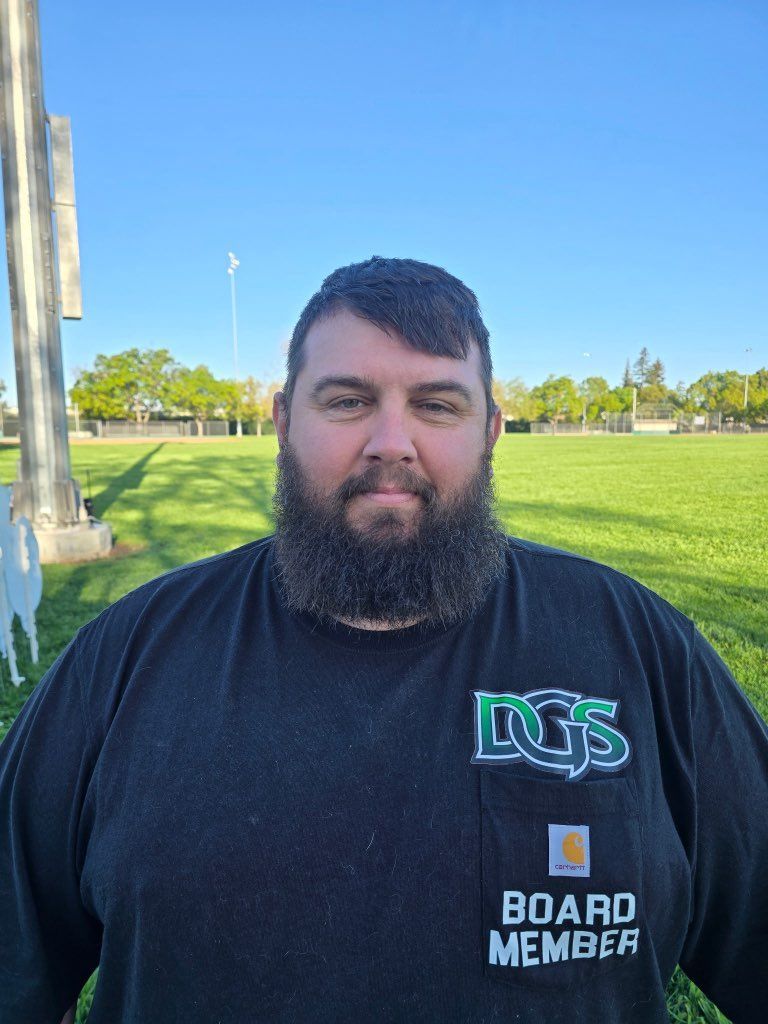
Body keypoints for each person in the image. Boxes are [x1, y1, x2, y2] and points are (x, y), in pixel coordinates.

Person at [0, 256, 766, 1024]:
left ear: (492, 433)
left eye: (436, 405)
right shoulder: (128, 657)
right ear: (282, 424)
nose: (390, 442)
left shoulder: (638, 645)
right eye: (347, 400)